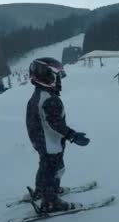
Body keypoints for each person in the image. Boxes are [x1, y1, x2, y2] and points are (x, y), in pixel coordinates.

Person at [26, 57, 90, 212]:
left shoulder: (40, 94)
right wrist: (72, 135)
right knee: (55, 170)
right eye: (57, 76)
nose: (60, 79)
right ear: (47, 76)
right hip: (50, 141)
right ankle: (50, 201)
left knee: (45, 166)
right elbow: (55, 123)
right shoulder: (49, 99)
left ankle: (41, 190)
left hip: (41, 140)